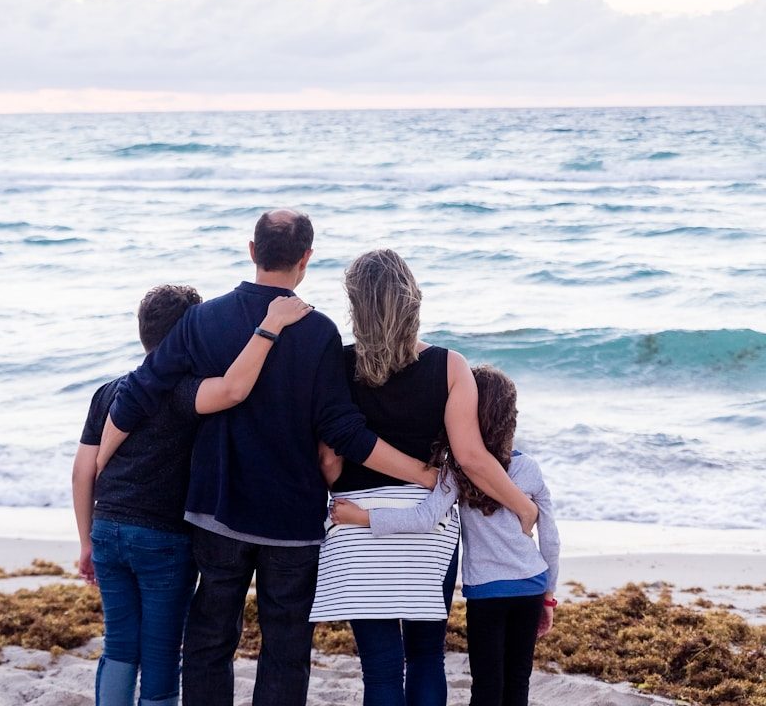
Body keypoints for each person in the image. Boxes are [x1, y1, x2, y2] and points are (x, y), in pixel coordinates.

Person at [94, 210, 439, 706]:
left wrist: (102, 464)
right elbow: (344, 431)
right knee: (286, 647)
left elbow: (139, 393)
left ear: (252, 250)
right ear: (306, 259)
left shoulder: (202, 319)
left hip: (216, 510)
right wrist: (424, 475)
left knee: (210, 640)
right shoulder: (318, 332)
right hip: (291, 521)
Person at [308, 250, 539, 706]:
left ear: (356, 306)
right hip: (427, 527)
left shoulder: (334, 364)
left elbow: (329, 463)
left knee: (380, 671)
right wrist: (522, 505)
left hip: (358, 527)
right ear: (412, 300)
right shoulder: (451, 366)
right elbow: (472, 457)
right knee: (427, 656)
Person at [73, 283, 312, 706]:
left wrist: (85, 540)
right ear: (191, 334)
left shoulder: (109, 392)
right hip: (163, 539)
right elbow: (234, 388)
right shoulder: (184, 393)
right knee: (163, 653)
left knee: (119, 648)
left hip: (107, 530)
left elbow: (81, 473)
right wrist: (271, 325)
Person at [332, 365, 560, 706]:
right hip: (531, 585)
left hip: (487, 593)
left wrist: (362, 517)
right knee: (517, 682)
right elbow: (551, 538)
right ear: (510, 416)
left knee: (486, 685)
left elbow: (423, 519)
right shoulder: (529, 468)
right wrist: (548, 595)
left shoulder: (457, 471)